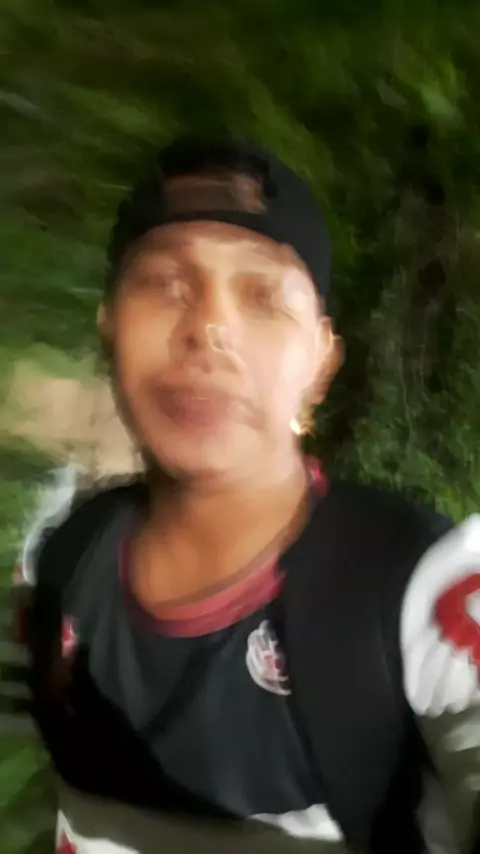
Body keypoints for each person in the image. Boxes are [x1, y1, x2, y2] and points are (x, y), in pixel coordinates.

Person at [11, 138, 480, 854]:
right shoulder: (60, 557)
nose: (209, 330)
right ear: (109, 327)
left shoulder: (424, 592)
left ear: (321, 361)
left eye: (263, 298)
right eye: (165, 284)